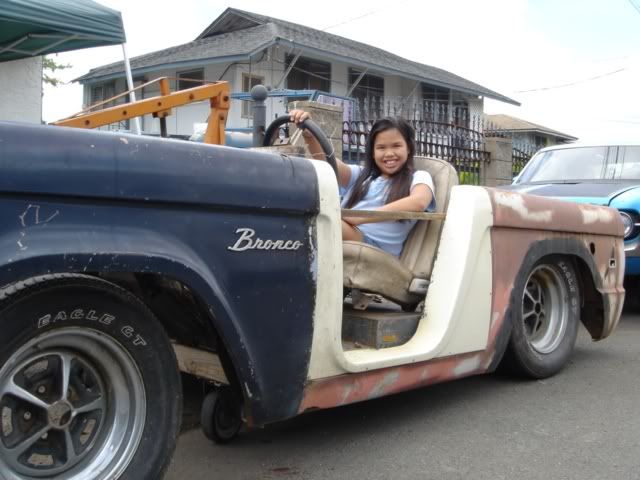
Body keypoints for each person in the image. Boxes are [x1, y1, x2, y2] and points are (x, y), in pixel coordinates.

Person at [289, 110, 435, 257]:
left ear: (408, 148)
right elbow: (328, 162)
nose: (389, 153)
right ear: (372, 152)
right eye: (381, 148)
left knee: (320, 221)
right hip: (347, 231)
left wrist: (358, 217)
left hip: (373, 248)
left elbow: (419, 202)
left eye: (396, 146)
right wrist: (310, 135)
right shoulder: (363, 176)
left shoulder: (418, 177)